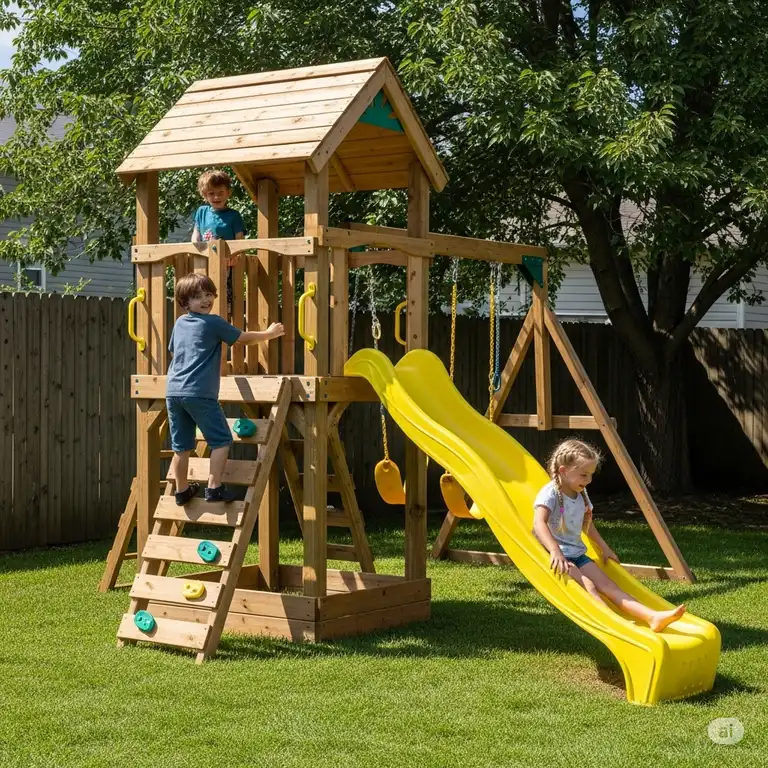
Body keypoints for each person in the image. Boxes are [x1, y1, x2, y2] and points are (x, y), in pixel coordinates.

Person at [533, 438, 686, 632]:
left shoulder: (581, 493)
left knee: (609, 585)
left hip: (577, 555)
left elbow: (586, 525)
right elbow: (539, 523)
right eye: (583, 475)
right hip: (557, 557)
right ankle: (613, 625)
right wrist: (555, 551)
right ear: (563, 471)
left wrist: (603, 548)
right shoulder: (550, 494)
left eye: (590, 475)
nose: (588, 480)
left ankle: (652, 616)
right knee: (588, 585)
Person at [166, 273, 284, 505]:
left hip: (174, 390)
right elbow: (243, 338)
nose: (205, 300)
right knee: (221, 441)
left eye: (208, 294)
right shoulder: (213, 322)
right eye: (197, 297)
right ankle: (214, 487)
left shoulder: (180, 324)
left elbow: (174, 352)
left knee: (181, 447)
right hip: (199, 392)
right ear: (185, 302)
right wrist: (269, 334)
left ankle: (181, 491)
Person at [192, 170, 245, 243]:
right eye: (211, 193)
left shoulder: (234, 215)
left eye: (221, 193)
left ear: (228, 193)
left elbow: (240, 241)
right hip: (205, 254)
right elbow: (196, 235)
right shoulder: (202, 212)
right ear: (204, 195)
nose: (216, 197)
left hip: (227, 254)